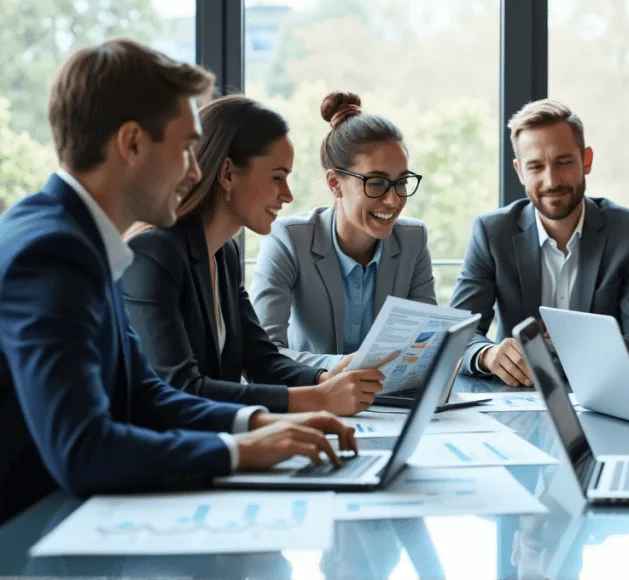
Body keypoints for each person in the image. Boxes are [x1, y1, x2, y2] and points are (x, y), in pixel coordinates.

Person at [0, 39, 356, 524]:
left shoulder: (79, 237)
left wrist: (258, 424)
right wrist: (240, 451)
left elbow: (146, 393)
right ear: (132, 142)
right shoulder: (53, 251)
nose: (195, 170)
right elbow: (82, 450)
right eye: (188, 148)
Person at [121, 94, 389, 416]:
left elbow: (261, 360)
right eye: (278, 177)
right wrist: (317, 399)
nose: (288, 195)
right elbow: (179, 389)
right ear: (228, 173)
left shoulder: (224, 253)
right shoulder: (152, 254)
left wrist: (325, 378)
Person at [450, 98, 629, 387]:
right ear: (519, 171)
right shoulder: (491, 232)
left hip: (603, 395)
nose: (552, 181)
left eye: (563, 162)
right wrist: (488, 355)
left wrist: (546, 353)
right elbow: (457, 333)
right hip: (511, 397)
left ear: (586, 160)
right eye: (536, 167)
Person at [251, 91, 436, 369]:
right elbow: (263, 352)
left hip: (389, 402)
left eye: (402, 182)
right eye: (376, 183)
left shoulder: (413, 240)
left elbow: (425, 343)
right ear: (335, 183)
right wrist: (349, 368)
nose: (394, 199)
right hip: (313, 397)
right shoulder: (288, 239)